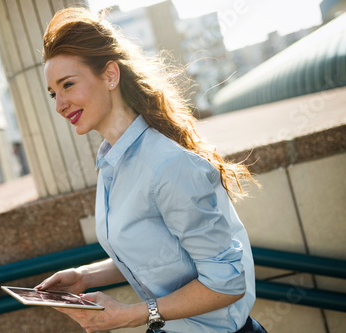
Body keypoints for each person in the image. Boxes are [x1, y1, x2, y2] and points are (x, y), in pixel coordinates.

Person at [36, 7, 267, 333]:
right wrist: (83, 276)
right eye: (53, 94)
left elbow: (227, 283)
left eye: (68, 85)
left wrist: (129, 314)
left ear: (111, 75)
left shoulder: (166, 165)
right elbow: (161, 254)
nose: (60, 104)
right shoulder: (112, 164)